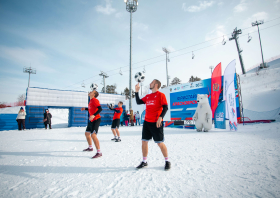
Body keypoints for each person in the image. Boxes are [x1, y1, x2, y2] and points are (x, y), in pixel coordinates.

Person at [135, 79, 171, 171]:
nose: (149, 83)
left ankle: (167, 161)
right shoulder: (148, 96)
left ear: (156, 85)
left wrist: (160, 117)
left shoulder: (161, 95)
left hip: (156, 123)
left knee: (159, 143)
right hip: (147, 122)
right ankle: (144, 161)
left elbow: (165, 107)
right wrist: (136, 92)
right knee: (144, 142)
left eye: (151, 82)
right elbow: (138, 102)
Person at [81, 90, 103, 159]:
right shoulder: (91, 101)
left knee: (93, 135)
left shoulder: (94, 100)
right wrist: (86, 109)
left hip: (96, 120)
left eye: (92, 91)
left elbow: (100, 109)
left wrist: (93, 115)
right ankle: (90, 147)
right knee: (87, 134)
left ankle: (99, 152)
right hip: (92, 120)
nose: (90, 91)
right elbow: (92, 109)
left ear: (93, 95)